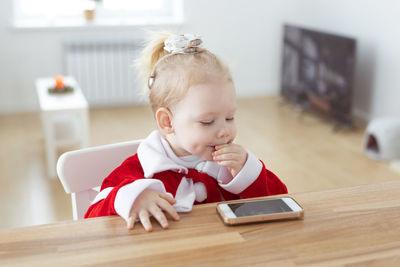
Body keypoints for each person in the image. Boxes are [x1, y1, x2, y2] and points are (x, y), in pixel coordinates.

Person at [85, 33, 288, 231]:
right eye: (207, 121)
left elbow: (281, 201)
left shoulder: (230, 166)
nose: (225, 131)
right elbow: (90, 219)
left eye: (230, 118)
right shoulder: (138, 171)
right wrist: (131, 198)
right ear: (167, 122)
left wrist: (248, 172)